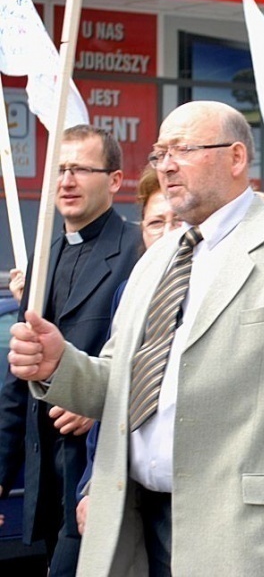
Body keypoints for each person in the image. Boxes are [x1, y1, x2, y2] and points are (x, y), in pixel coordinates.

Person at [7, 101, 264, 576]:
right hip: (134, 527)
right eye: (158, 153)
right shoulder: (154, 260)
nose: (166, 164)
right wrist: (59, 365)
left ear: (236, 158)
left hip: (252, 537)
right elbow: (120, 385)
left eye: (183, 149)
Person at [0, 125, 142, 576]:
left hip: (100, 475)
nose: (66, 181)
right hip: (45, 484)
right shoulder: (42, 257)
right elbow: (17, 385)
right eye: (59, 170)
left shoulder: (140, 252)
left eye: (80, 169)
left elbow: (159, 358)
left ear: (115, 180)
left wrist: (99, 404)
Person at [74, 165, 183, 536]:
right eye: (156, 223)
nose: (169, 234)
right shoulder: (131, 292)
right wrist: (92, 484)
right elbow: (116, 394)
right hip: (135, 498)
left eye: (179, 221)